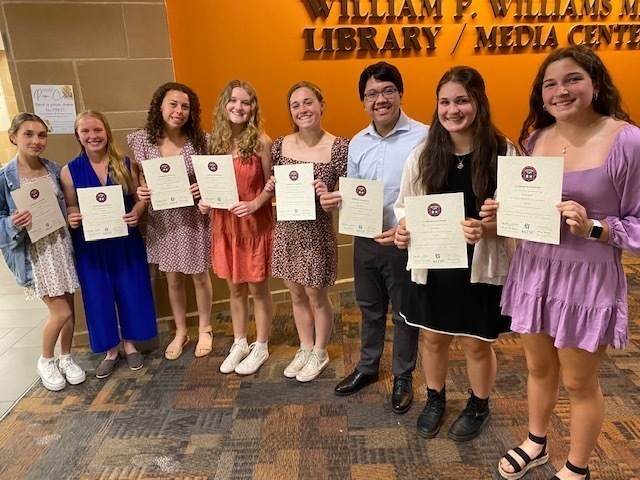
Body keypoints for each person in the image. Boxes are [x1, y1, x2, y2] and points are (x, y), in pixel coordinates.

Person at [490, 46, 639, 480]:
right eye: (550, 84)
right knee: (538, 368)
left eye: (573, 79)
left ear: (596, 83)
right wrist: (503, 213)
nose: (561, 91)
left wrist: (595, 228)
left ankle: (578, 466)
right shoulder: (536, 139)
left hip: (586, 279)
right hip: (534, 269)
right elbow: (528, 208)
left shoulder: (626, 140)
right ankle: (535, 442)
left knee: (578, 381)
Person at [393, 66, 515, 442]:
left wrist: (488, 228)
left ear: (478, 102)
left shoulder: (503, 151)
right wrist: (403, 229)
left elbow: (519, 215)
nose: (452, 110)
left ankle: (478, 404)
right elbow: (405, 205)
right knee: (433, 338)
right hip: (434, 265)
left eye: (462, 100)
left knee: (476, 343)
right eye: (444, 102)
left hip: (480, 266)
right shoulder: (423, 153)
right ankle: (435, 398)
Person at [320, 62, 428, 412]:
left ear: (400, 93)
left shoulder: (425, 137)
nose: (380, 100)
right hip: (365, 240)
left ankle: (402, 375)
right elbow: (355, 191)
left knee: (404, 313)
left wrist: (409, 226)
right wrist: (336, 200)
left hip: (403, 240)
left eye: (387, 91)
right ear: (363, 102)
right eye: (371, 94)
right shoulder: (357, 142)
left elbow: (432, 192)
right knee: (369, 308)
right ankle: (368, 367)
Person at [60, 111, 157, 378]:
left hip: (125, 241)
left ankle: (130, 344)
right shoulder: (69, 171)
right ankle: (110, 351)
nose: (93, 136)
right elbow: (71, 205)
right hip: (90, 246)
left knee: (131, 291)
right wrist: (72, 216)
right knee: (98, 296)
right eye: (86, 131)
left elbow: (140, 198)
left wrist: (137, 211)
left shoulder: (126, 164)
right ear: (78, 135)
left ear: (106, 132)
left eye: (97, 130)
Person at [127, 82, 213, 360]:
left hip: (192, 218)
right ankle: (180, 331)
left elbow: (213, 178)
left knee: (200, 276)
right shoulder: (142, 141)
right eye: (173, 104)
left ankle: (205, 329)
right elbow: (140, 179)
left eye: (185, 106)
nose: (179, 111)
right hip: (163, 220)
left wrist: (203, 187)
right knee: (173, 279)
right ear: (160, 107)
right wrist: (141, 191)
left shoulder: (202, 141)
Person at [269, 81, 348, 383]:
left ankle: (320, 351)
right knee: (296, 293)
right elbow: (272, 184)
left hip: (317, 233)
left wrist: (332, 197)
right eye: (295, 105)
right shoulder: (280, 145)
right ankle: (304, 347)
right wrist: (271, 186)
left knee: (316, 293)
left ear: (321, 105)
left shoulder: (339, 147)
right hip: (287, 231)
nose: (302, 109)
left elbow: (352, 194)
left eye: (308, 102)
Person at [0, 113, 84, 391]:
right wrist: (12, 222)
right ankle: (46, 360)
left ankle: (66, 357)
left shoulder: (54, 170)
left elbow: (67, 206)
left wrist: (72, 215)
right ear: (13, 136)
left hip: (60, 245)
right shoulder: (4, 178)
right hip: (34, 253)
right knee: (60, 312)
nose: (36, 140)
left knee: (69, 308)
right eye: (28, 134)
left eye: (41, 135)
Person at [198, 80, 274, 375]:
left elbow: (271, 186)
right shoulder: (214, 143)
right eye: (233, 100)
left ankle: (261, 345)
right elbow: (212, 185)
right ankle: (240, 342)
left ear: (253, 108)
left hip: (253, 226)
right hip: (225, 226)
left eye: (245, 102)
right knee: (235, 289)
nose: (238, 107)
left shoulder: (262, 142)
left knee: (258, 289)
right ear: (224, 104)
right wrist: (205, 202)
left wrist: (255, 203)